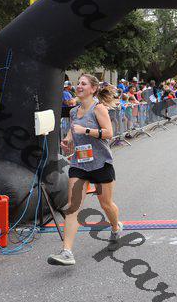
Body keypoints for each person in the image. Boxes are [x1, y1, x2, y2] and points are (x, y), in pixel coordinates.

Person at [48, 74, 122, 266]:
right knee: (73, 207)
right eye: (78, 83)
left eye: (83, 83)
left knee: (106, 204)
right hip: (79, 164)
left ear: (93, 89)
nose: (79, 86)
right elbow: (74, 129)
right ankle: (66, 252)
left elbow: (109, 133)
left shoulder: (98, 108)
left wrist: (86, 131)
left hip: (101, 164)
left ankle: (115, 227)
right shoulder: (74, 111)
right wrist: (68, 139)